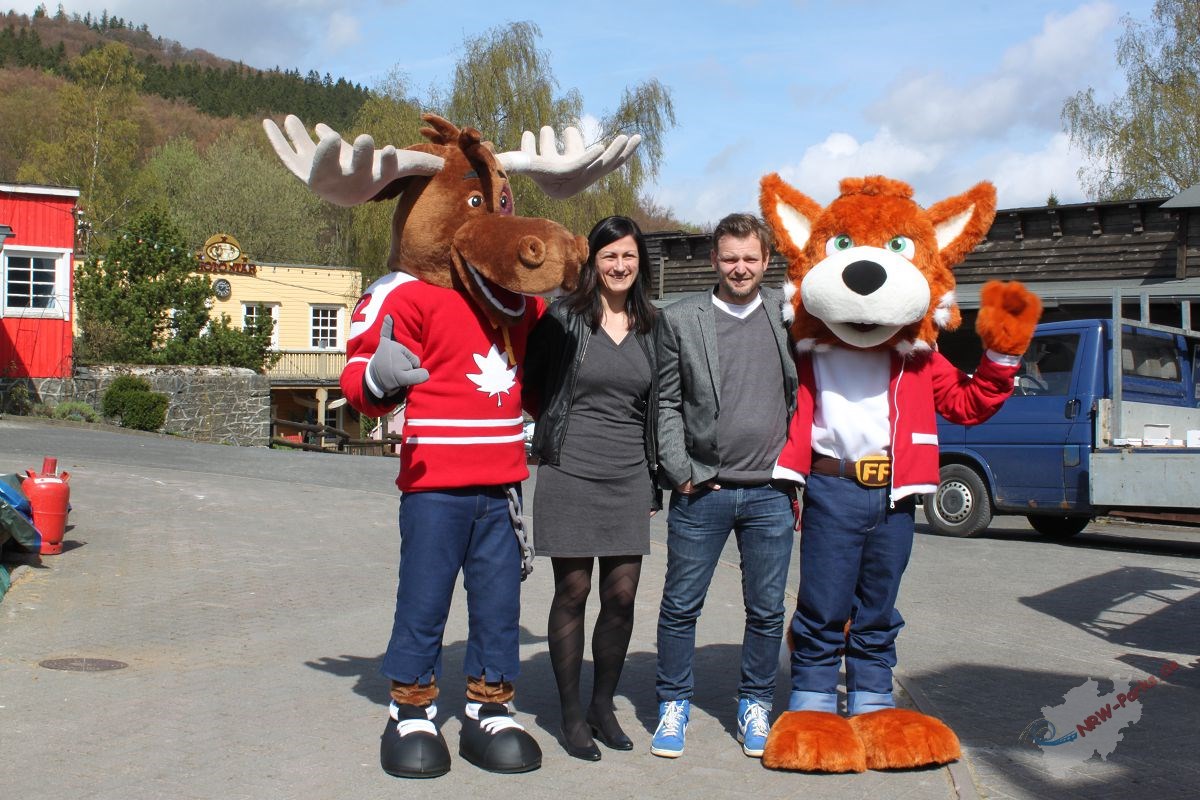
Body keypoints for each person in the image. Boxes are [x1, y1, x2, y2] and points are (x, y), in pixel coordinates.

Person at [651, 213, 799, 759]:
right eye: (730, 258)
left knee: (765, 610)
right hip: (703, 490)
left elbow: (800, 392)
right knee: (680, 606)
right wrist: (680, 469)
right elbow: (665, 401)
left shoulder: (787, 316)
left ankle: (755, 702)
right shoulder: (683, 317)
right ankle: (673, 703)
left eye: (751, 258)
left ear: (766, 261)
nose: (740, 268)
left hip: (771, 493)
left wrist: (796, 471)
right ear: (714, 260)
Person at [523, 216, 660, 761]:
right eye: (609, 256)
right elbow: (533, 388)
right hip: (571, 470)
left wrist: (657, 480)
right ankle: (572, 713)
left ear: (639, 261)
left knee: (621, 596)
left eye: (628, 256)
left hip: (629, 474)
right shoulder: (564, 318)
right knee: (573, 591)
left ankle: (603, 704)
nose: (619, 266)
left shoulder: (653, 324)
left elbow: (659, 403)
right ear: (593, 262)